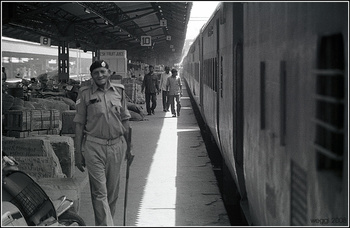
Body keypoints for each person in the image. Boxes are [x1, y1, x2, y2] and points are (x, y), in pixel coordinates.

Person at [73, 60, 132, 226]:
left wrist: (130, 147)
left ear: (109, 72)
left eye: (102, 71)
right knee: (100, 192)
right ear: (91, 76)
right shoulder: (84, 94)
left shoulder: (119, 92)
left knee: (112, 193)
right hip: (94, 147)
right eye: (96, 73)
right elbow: (79, 124)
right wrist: (78, 153)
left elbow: (125, 120)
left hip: (117, 146)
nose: (100, 75)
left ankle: (104, 223)